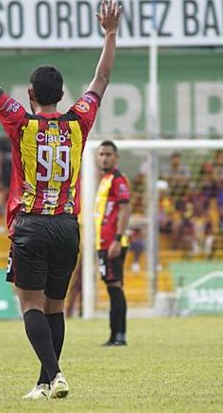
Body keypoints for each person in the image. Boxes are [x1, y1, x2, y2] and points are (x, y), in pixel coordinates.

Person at [0, 0, 121, 399]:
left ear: (31, 94)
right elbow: (101, 80)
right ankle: (44, 383)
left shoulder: (20, 121)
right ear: (62, 95)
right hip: (67, 225)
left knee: (29, 305)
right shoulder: (79, 119)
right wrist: (111, 33)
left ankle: (56, 374)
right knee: (54, 307)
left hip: (31, 223)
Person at [95, 141, 131, 347]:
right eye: (101, 154)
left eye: (108, 154)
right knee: (111, 287)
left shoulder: (117, 180)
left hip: (113, 243)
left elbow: (126, 209)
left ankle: (119, 335)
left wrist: (117, 239)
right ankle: (114, 335)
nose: (104, 158)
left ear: (116, 157)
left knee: (115, 287)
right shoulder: (104, 179)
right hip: (103, 242)